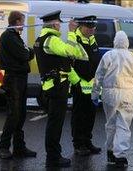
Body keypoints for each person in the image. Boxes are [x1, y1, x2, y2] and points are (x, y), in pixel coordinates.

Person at [33, 10, 87, 167]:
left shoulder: (43, 39)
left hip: (55, 86)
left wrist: (77, 82)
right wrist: (71, 33)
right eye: (59, 24)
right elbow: (70, 52)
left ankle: (53, 155)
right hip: (57, 88)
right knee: (55, 124)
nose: (60, 27)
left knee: (54, 123)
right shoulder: (51, 40)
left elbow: (64, 64)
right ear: (54, 24)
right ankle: (53, 158)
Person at [91, 31, 133, 168]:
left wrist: (95, 95)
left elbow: (99, 77)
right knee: (124, 125)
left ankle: (110, 152)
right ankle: (120, 155)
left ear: (115, 42)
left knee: (110, 124)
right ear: (127, 42)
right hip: (127, 94)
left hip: (109, 93)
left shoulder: (108, 56)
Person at [0, 11, 36, 159]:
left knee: (21, 115)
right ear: (16, 21)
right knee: (13, 115)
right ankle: (4, 147)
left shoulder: (15, 37)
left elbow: (29, 52)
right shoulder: (9, 36)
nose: (24, 24)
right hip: (13, 79)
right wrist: (27, 51)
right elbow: (26, 54)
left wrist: (28, 51)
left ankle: (19, 147)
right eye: (22, 21)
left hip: (20, 79)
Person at [68, 15, 101, 156]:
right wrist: (77, 82)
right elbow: (68, 64)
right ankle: (78, 144)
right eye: (89, 28)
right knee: (79, 116)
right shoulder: (75, 39)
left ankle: (87, 141)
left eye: (93, 28)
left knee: (90, 115)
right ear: (81, 27)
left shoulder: (92, 39)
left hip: (92, 86)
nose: (92, 30)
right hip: (80, 85)